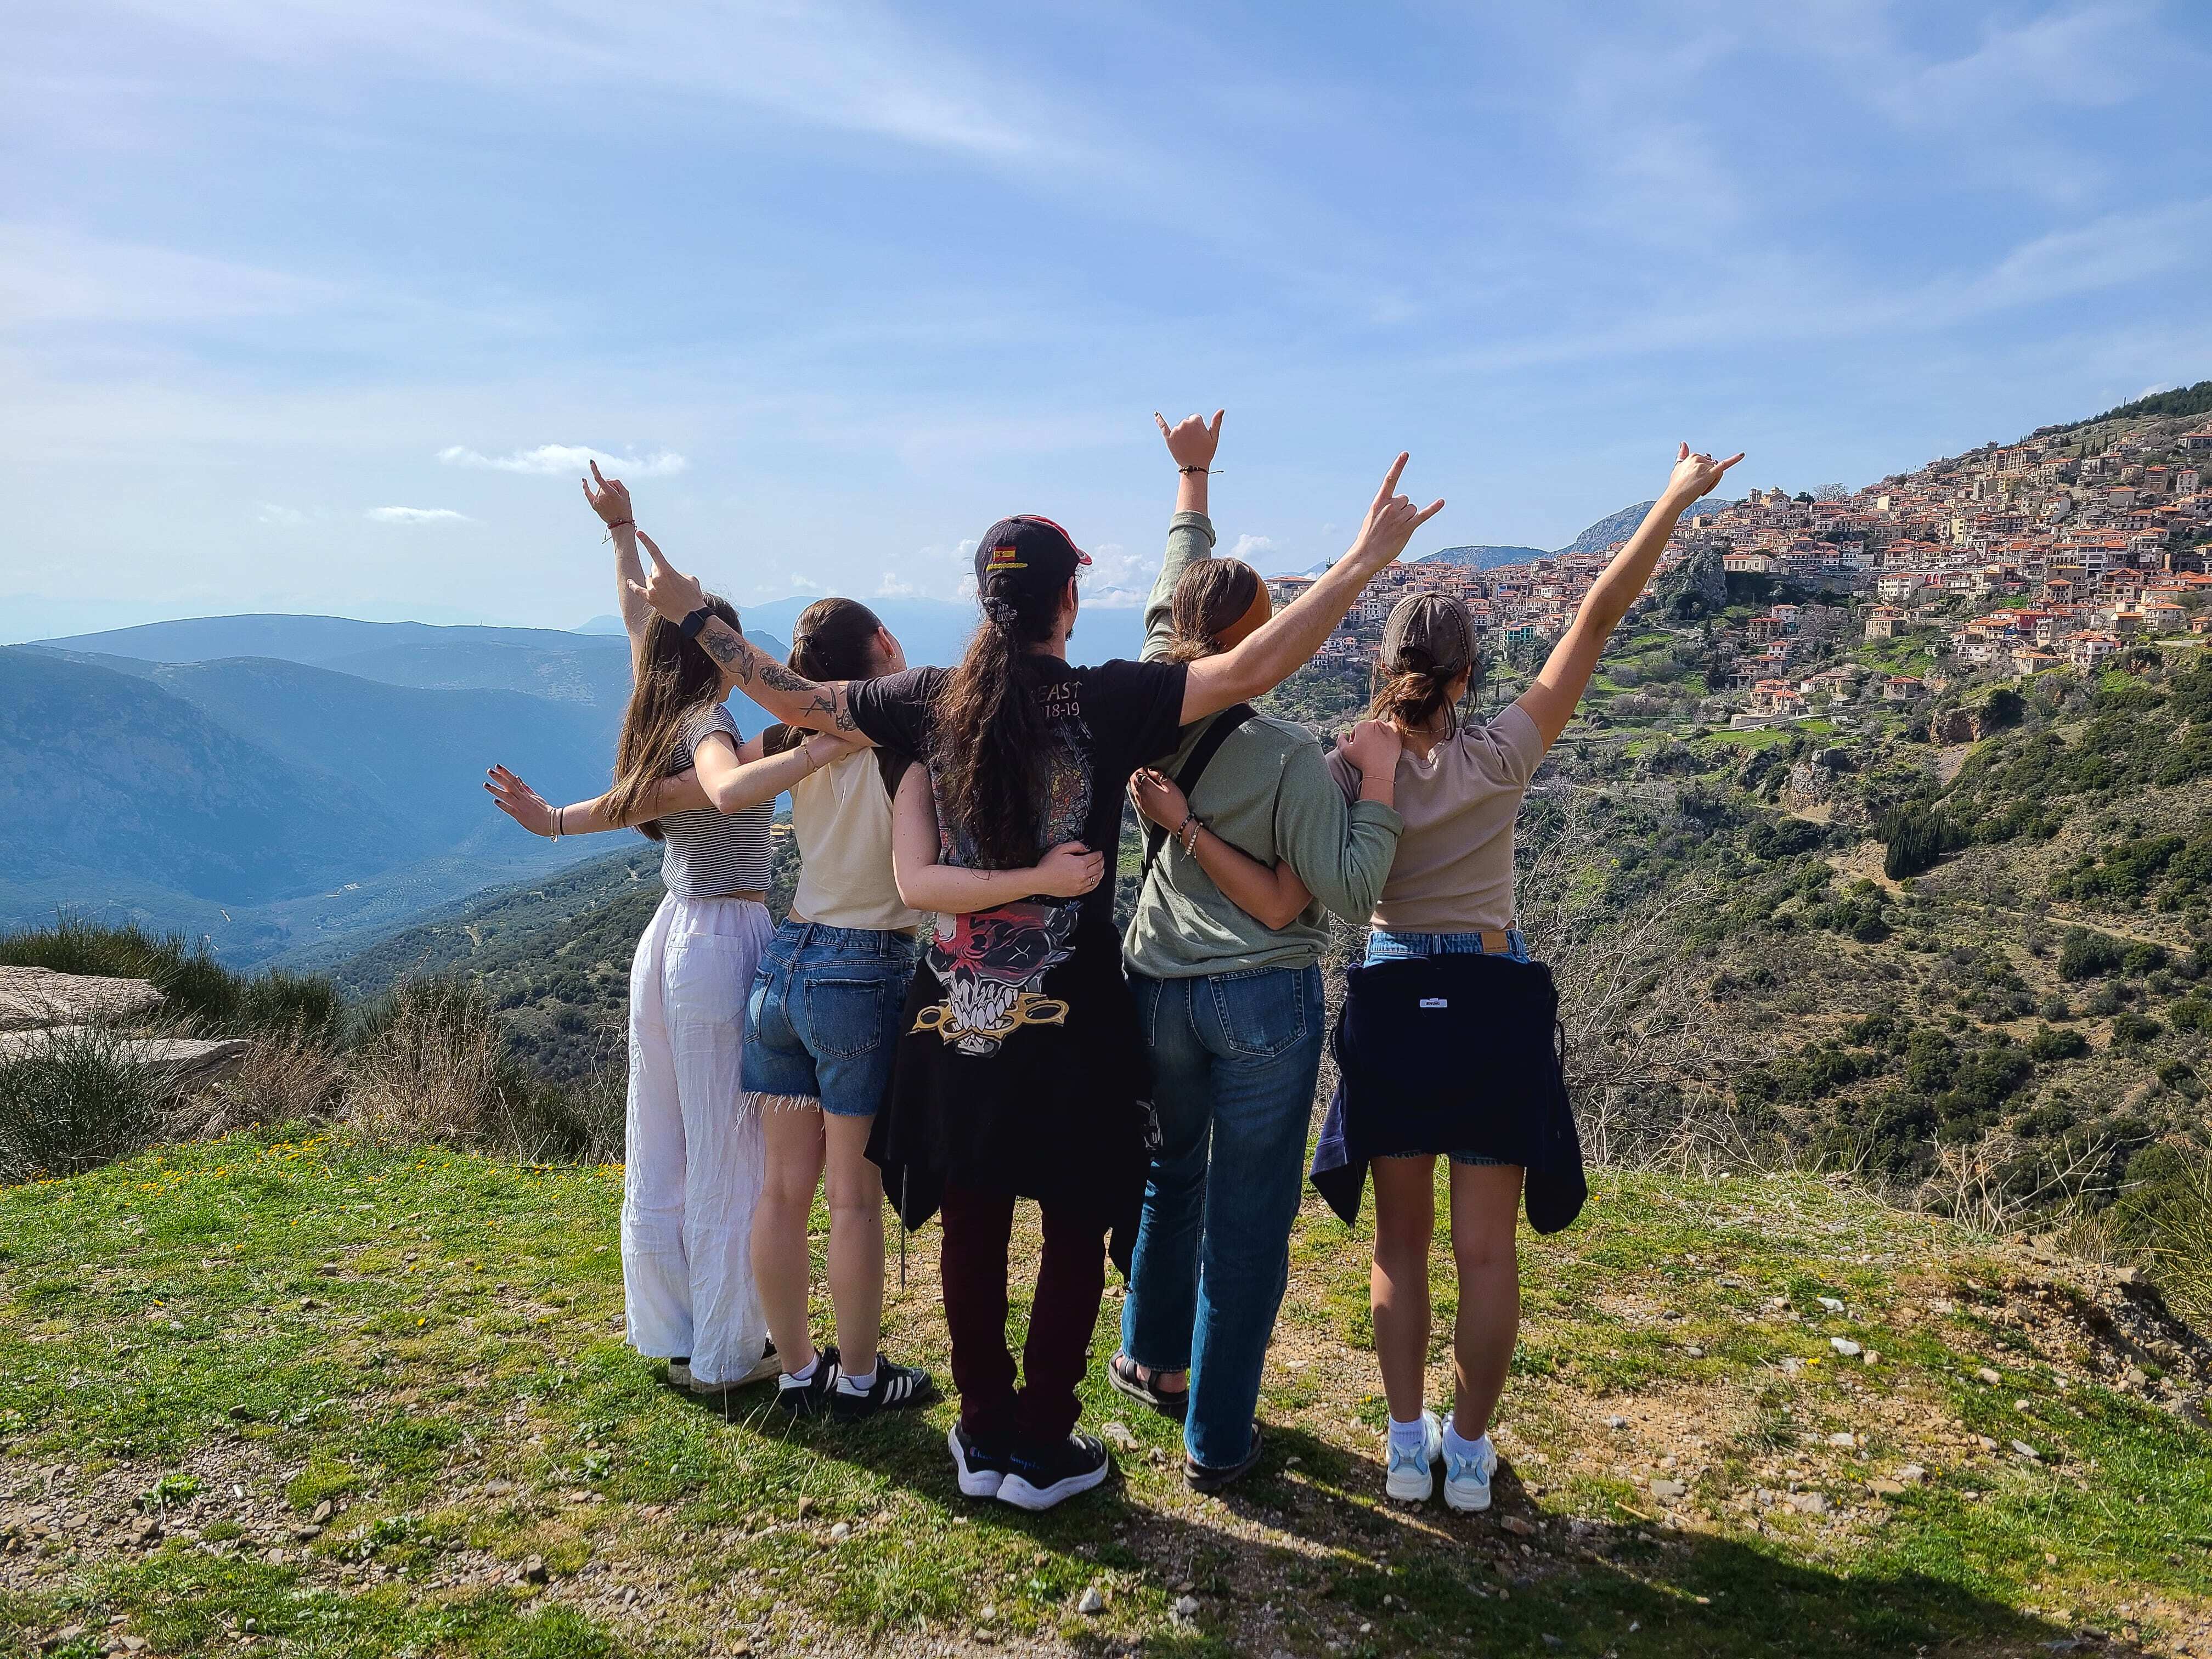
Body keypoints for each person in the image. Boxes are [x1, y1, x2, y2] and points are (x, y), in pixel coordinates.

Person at [614, 437, 1443, 1509]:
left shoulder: (926, 698)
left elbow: (801, 698)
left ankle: (982, 1433)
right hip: (1072, 1017)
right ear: (1069, 599)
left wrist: (705, 625)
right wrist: (1364, 558)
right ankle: (1041, 1444)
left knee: (971, 1217)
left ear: (986, 601)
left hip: (950, 1019)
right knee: (1064, 1223)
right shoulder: (1107, 700)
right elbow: (1251, 668)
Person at [1312, 443, 1742, 1515]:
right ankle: (1468, 1454)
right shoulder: (1504, 752)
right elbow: (1595, 615)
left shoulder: (1352, 757)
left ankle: (1405, 1449)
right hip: (1493, 1005)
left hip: (1394, 999)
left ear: (1388, 668)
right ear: (1467, 676)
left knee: (1400, 1249)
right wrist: (1675, 496)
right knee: (1487, 1255)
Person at [484, 463, 866, 1396]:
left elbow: (633, 626)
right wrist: (826, 741)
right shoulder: (709, 717)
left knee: (659, 1139)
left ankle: (670, 1327)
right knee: (728, 1149)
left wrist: (622, 532)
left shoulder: (658, 706)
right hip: (720, 939)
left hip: (665, 937)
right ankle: (731, 1350)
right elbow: (729, 786)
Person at [1105, 410, 1407, 1491]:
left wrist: (1190, 480)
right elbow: (1343, 888)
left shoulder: (1144, 696)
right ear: (1260, 636)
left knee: (1168, 1174)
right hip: (1259, 1005)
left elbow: (1173, 590)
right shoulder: (1286, 756)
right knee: (1248, 1222)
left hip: (1156, 989)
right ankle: (1220, 1441)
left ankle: (1150, 1358)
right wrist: (1370, 790)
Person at [743, 598, 937, 1420]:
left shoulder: (796, 735)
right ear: (886, 645)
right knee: (852, 1199)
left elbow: (723, 766)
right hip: (865, 967)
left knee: (783, 1191)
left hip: (785, 960)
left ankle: (795, 1369)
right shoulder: (911, 739)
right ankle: (859, 1378)